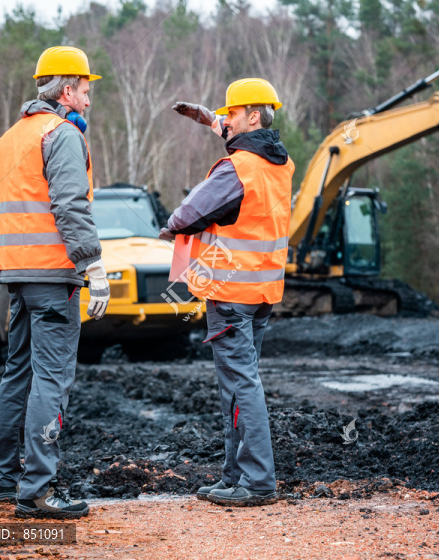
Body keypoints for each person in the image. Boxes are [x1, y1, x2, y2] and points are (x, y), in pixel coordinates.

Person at [0, 46, 110, 520]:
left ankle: (5, 481)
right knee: (52, 378)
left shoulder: (9, 139)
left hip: (16, 273)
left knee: (17, 372)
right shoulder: (60, 135)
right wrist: (93, 266)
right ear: (66, 90)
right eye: (85, 90)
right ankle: (37, 490)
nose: (88, 99)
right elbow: (69, 206)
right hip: (52, 273)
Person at [162, 78, 294, 507]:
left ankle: (256, 481)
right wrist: (206, 117)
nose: (226, 121)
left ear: (252, 116)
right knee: (237, 384)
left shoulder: (236, 168)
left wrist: (171, 226)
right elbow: (234, 133)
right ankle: (235, 475)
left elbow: (188, 214)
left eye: (232, 114)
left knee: (242, 384)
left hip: (230, 292)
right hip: (262, 292)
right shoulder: (279, 162)